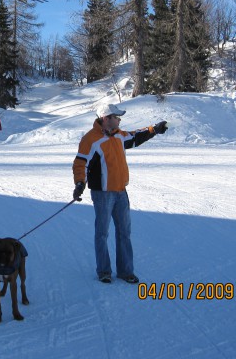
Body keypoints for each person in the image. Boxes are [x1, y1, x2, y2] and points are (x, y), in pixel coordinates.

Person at [72, 103, 168, 284]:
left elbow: (136, 135)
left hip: (121, 192)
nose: (119, 120)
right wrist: (79, 183)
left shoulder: (119, 136)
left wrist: (154, 129)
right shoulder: (90, 139)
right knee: (102, 234)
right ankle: (104, 271)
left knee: (124, 232)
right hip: (103, 194)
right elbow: (80, 163)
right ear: (106, 118)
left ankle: (125, 271)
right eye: (116, 117)